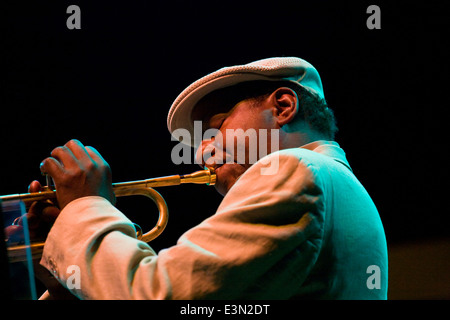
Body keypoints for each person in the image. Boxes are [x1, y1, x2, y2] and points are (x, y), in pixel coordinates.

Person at [29, 57, 387, 299]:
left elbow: (158, 293)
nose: (201, 154)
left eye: (214, 131)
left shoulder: (293, 169)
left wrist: (85, 210)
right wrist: (68, 251)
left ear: (282, 107)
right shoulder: (336, 185)